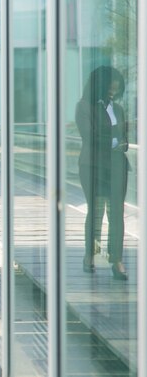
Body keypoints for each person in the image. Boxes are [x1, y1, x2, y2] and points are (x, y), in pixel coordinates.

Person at [75, 65, 129, 281]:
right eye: (109, 89)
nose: (113, 94)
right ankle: (90, 255)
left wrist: (121, 141)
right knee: (96, 213)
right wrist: (116, 134)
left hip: (117, 166)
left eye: (116, 90)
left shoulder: (118, 110)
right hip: (93, 166)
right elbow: (91, 138)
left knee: (116, 214)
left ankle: (116, 260)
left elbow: (125, 139)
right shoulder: (84, 107)